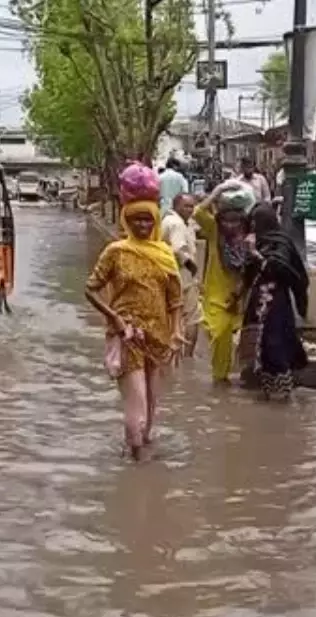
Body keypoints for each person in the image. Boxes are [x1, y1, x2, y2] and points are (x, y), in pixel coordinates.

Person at [84, 200, 185, 461]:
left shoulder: (164, 253)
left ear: (155, 222)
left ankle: (140, 451)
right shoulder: (115, 252)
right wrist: (114, 318)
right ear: (127, 222)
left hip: (159, 337)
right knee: (136, 402)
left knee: (152, 402)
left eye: (147, 219)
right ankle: (137, 457)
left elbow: (175, 300)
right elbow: (90, 288)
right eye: (137, 219)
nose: (142, 224)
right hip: (128, 335)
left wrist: (176, 332)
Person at [242, 204, 308, 401]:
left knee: (276, 343)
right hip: (257, 302)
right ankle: (267, 393)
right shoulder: (256, 241)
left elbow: (280, 269)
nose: (253, 225)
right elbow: (248, 273)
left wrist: (256, 255)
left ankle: (285, 394)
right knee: (259, 346)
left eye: (256, 221)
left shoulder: (281, 242)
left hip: (277, 302)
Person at [192, 181, 254, 384]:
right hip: (216, 296)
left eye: (235, 221)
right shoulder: (214, 232)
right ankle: (220, 377)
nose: (230, 225)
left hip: (241, 296)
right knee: (219, 335)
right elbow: (198, 212)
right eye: (225, 220)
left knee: (244, 338)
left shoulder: (249, 238)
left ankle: (235, 377)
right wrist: (218, 190)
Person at [161, 193, 202, 356]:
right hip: (182, 276)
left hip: (169, 276)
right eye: (186, 206)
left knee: (172, 317)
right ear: (176, 206)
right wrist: (192, 267)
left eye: (192, 206)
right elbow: (179, 249)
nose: (190, 210)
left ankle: (171, 355)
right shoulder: (176, 223)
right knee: (193, 317)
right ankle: (187, 357)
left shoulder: (172, 221)